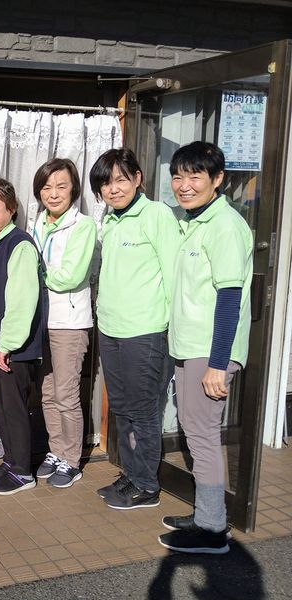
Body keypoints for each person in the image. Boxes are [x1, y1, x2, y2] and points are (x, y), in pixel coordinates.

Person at [159, 142, 252, 554]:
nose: (184, 185)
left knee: (202, 435)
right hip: (189, 346)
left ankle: (212, 529)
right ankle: (204, 515)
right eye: (178, 176)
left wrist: (218, 363)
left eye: (195, 176)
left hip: (209, 351)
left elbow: (230, 298)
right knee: (195, 430)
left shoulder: (225, 226)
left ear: (218, 180)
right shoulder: (192, 222)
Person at [91, 147, 180, 510]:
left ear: (138, 179)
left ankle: (146, 486)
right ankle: (131, 474)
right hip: (111, 329)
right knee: (122, 408)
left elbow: (174, 275)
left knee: (143, 411)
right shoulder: (111, 220)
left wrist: (174, 331)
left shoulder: (157, 215)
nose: (113, 189)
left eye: (121, 180)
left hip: (145, 331)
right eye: (105, 184)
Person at [0, 178, 46, 495]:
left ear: (12, 209)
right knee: (0, 407)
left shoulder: (19, 244)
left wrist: (7, 344)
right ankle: (11, 459)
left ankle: (23, 471)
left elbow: (21, 300)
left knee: (14, 409)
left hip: (13, 349)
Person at [31, 159, 97, 488]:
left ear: (74, 189)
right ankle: (56, 451)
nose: (53, 194)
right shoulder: (37, 223)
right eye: (46, 187)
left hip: (68, 323)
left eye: (61, 186)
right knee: (46, 393)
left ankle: (72, 460)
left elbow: (70, 276)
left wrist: (35, 272)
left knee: (66, 395)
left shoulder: (83, 226)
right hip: (40, 320)